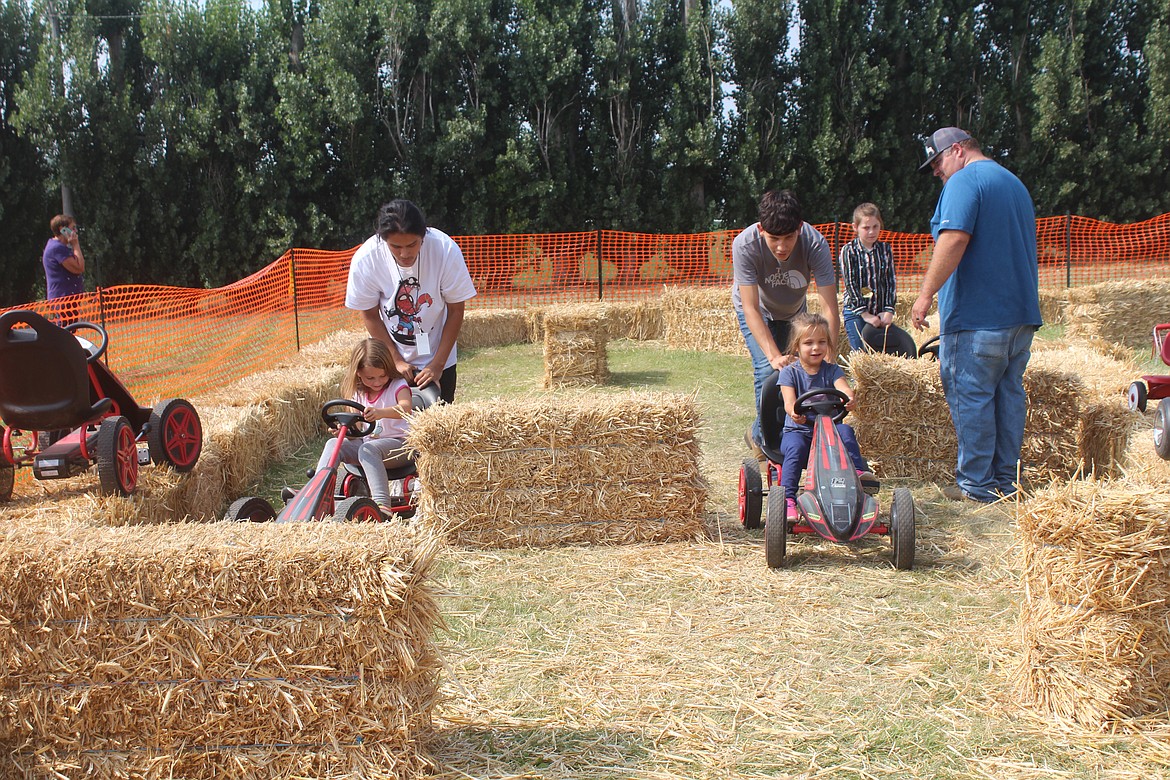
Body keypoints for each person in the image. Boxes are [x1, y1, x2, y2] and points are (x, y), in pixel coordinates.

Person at [910, 127, 1043, 503]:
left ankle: (976, 486)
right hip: (1020, 317)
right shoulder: (1013, 182)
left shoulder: (964, 181)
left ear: (958, 150)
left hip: (978, 317)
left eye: (937, 161)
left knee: (973, 397)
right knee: (1008, 398)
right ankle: (1006, 481)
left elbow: (953, 238)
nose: (937, 171)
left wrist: (925, 295)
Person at [732, 189, 840, 460]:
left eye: (788, 237)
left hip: (794, 312)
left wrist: (830, 352)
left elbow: (829, 305)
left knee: (805, 370)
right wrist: (773, 355)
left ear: (800, 229)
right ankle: (768, 442)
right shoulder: (744, 245)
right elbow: (750, 307)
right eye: (773, 238)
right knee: (768, 371)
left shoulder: (815, 243)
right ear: (760, 230)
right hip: (759, 311)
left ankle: (764, 431)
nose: (781, 247)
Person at [346, 199, 477, 403]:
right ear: (383, 240)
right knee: (394, 426)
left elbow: (456, 311)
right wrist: (395, 360)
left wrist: (437, 365)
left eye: (411, 244)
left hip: (440, 355)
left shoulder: (445, 250)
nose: (404, 253)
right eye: (395, 247)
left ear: (423, 236)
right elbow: (370, 314)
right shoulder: (366, 259)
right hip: (391, 360)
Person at [777, 313, 875, 521]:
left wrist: (850, 397)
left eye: (822, 342)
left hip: (829, 433)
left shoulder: (832, 371)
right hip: (800, 431)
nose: (816, 348)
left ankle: (857, 475)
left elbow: (844, 388)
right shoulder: (789, 373)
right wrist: (794, 412)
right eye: (809, 343)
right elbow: (788, 401)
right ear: (796, 346)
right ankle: (787, 499)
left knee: (846, 431)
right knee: (795, 450)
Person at [316, 339, 415, 517]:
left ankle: (382, 505)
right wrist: (344, 431)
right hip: (367, 445)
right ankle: (317, 493)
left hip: (401, 445)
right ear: (358, 374)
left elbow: (406, 408)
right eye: (370, 378)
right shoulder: (357, 394)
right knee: (334, 444)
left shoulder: (397, 386)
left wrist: (381, 412)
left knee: (368, 449)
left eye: (382, 376)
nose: (377, 382)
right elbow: (358, 430)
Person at [839, 202, 896, 351]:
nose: (871, 232)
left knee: (881, 355)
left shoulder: (885, 249)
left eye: (875, 226)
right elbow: (851, 284)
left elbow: (890, 281)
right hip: (856, 312)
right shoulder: (849, 251)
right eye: (866, 228)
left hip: (880, 312)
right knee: (860, 355)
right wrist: (865, 314)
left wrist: (889, 310)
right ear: (855, 227)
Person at [42, 215, 86, 325]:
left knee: (70, 332)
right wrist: (75, 245)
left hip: (69, 299)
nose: (75, 231)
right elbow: (79, 267)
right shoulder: (57, 248)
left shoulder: (60, 247)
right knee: (65, 333)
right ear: (63, 229)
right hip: (63, 300)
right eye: (73, 228)